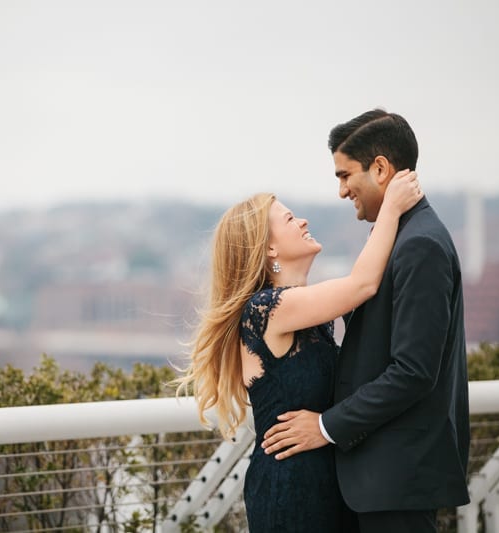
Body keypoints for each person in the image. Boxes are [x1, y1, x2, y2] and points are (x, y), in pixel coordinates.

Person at [174, 168, 423, 532]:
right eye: (290, 218)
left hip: (327, 483)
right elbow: (363, 284)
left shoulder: (303, 312)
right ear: (269, 247)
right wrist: (392, 208)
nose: (303, 220)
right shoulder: (266, 309)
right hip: (289, 491)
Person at [261, 109, 471, 533]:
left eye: (344, 175)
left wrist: (325, 426)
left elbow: (413, 372)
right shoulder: (402, 236)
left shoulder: (420, 245)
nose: (341, 191)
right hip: (376, 480)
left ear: (380, 169)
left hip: (396, 478)